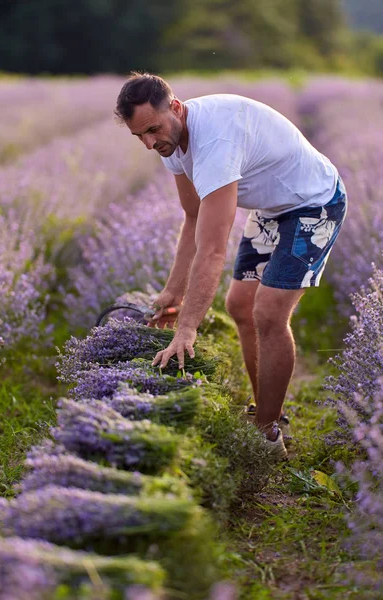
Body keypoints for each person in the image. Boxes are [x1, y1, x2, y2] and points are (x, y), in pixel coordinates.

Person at [114, 72, 347, 459]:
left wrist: (187, 329)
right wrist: (173, 292)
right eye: (140, 136)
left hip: (314, 204)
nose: (150, 143)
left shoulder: (215, 142)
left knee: (270, 312)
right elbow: (193, 218)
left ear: (175, 107)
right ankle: (269, 410)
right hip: (273, 208)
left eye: (153, 130)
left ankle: (267, 433)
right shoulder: (172, 143)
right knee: (239, 307)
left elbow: (212, 250)